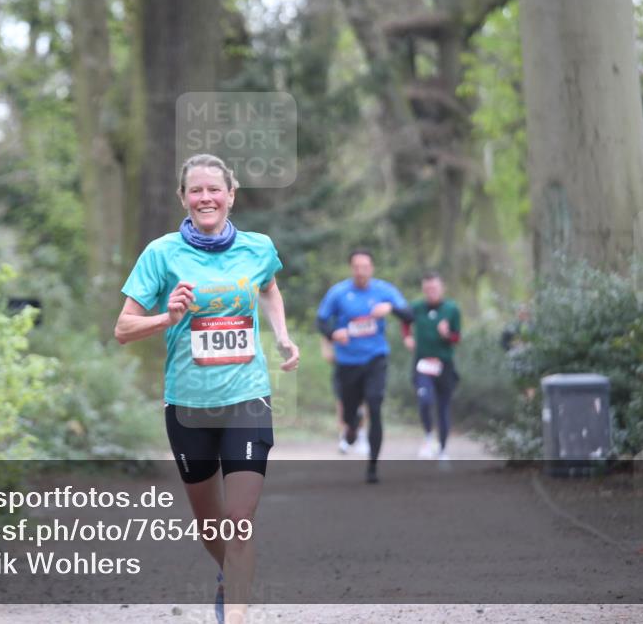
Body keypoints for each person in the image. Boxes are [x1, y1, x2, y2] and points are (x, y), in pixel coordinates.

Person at [115, 154, 300, 624]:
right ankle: (232, 578)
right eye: (195, 191)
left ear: (231, 195)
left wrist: (281, 335)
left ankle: (233, 614)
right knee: (209, 525)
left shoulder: (258, 248)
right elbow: (123, 328)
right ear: (183, 198)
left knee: (239, 522)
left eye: (214, 189)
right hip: (189, 406)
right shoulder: (161, 253)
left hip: (247, 398)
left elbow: (270, 288)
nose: (205, 198)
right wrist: (167, 317)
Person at [316, 250, 411, 483]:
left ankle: (373, 466)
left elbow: (410, 314)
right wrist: (333, 333)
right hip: (347, 362)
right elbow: (321, 320)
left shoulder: (384, 291)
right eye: (356, 267)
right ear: (351, 269)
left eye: (365, 266)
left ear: (372, 268)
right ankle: (351, 425)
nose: (361, 271)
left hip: (375, 359)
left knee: (375, 404)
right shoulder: (339, 293)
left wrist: (391, 309)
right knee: (349, 412)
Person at [401, 271, 461, 461]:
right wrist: (407, 336)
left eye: (434, 288)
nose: (431, 291)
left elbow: (457, 338)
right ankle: (428, 437)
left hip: (444, 364)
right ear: (423, 289)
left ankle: (442, 448)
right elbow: (404, 320)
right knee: (425, 400)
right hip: (422, 364)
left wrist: (447, 334)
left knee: (443, 407)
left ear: (442, 288)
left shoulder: (452, 309)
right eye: (427, 288)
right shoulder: (417, 307)